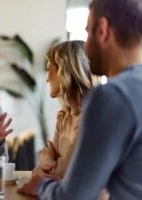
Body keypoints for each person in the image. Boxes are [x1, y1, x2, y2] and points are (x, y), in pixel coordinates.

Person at [18, 0, 142, 199]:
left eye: (88, 32)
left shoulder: (112, 96)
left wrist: (40, 186)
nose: (86, 45)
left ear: (103, 30)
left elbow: (73, 196)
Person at [32, 40, 95, 180]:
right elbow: (44, 170)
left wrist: (46, 161)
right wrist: (46, 163)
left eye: (49, 69)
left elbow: (62, 173)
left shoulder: (91, 118)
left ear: (64, 71)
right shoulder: (63, 116)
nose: (47, 79)